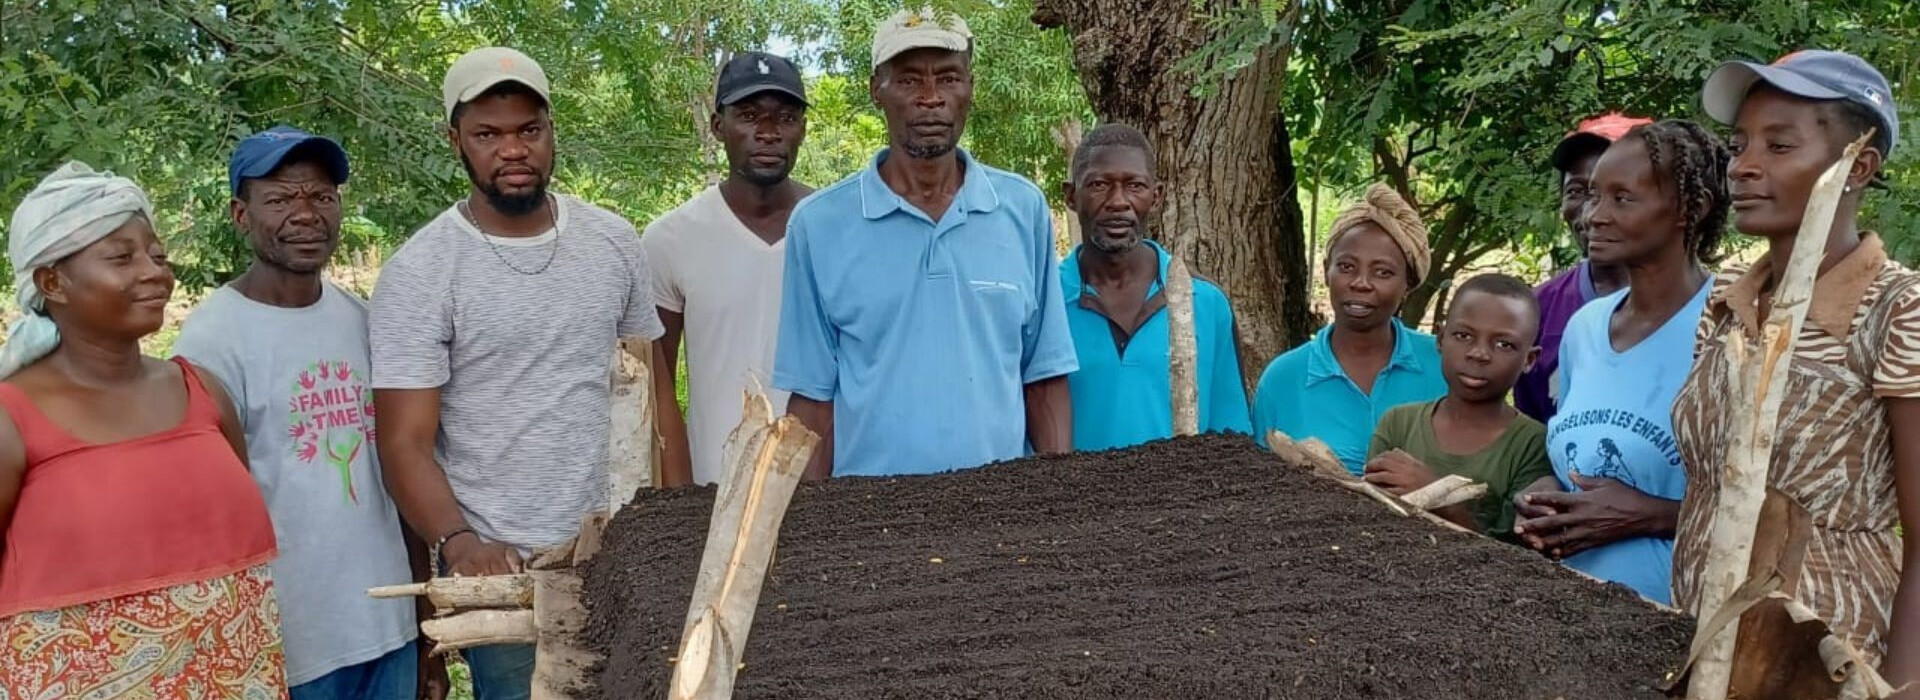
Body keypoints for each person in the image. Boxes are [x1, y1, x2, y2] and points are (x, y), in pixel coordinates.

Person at [370, 47, 665, 700]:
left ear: (552, 130)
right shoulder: (422, 272)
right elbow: (402, 441)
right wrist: (460, 542)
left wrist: (672, 517)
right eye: (488, 134)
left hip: (623, 555)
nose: (512, 149)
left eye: (528, 130)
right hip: (510, 574)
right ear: (456, 142)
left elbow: (648, 391)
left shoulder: (614, 242)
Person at [1671, 49, 1918, 691]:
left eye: (1779, 147)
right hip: (1699, 643)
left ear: (1857, 165)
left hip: (1822, 666)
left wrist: (1897, 688)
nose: (1744, 167)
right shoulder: (1727, 302)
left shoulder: (1898, 309)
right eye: (1740, 144)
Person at [0, 162, 285, 697]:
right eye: (122, 258)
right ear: (51, 281)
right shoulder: (11, 420)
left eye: (157, 254)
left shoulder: (201, 392)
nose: (155, 271)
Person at [173, 127, 426, 700]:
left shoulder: (360, 318)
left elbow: (397, 468)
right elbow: (209, 507)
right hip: (291, 639)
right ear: (242, 214)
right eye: (281, 199)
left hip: (387, 626)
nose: (305, 214)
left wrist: (422, 608)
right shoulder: (213, 339)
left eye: (320, 196)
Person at [773, 8, 1077, 478]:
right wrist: (817, 533)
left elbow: (1043, 377)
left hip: (1001, 513)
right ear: (877, 89)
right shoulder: (819, 225)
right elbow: (813, 403)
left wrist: (1055, 502)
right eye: (910, 81)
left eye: (949, 78)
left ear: (970, 88)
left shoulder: (1022, 209)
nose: (931, 98)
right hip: (872, 520)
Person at [1512, 119, 1730, 606]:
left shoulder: (1730, 328)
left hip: (1677, 621)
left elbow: (1775, 509)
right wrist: (1544, 498)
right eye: (1592, 195)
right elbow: (1573, 461)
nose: (1594, 216)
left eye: (1622, 199)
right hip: (1568, 609)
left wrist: (1651, 515)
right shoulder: (1585, 328)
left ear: (1689, 210)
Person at [646, 52, 811, 487]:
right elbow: (654, 385)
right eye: (750, 116)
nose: (769, 133)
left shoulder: (834, 229)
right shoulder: (672, 238)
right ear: (719, 126)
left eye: (786, 117)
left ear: (804, 129)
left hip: (822, 490)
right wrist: (676, 495)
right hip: (711, 488)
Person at [1058, 123, 1250, 450]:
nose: (1118, 201)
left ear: (1156, 195)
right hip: (1070, 500)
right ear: (1071, 196)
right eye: (1099, 184)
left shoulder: (1204, 302)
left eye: (1135, 185)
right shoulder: (1042, 303)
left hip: (1180, 501)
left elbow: (1233, 439)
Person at [1251, 184, 1445, 475]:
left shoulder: (1444, 366)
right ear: (1328, 271)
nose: (1361, 283)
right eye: (1346, 266)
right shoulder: (1283, 378)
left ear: (1409, 283)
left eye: (1383, 272)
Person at [1364, 273, 1553, 537]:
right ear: (1441, 339)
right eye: (1464, 336)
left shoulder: (1533, 445)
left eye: (1504, 344)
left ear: (1529, 359)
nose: (1479, 353)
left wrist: (1438, 495)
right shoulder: (1398, 424)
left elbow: (1516, 562)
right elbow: (1368, 523)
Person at [1516, 113, 1651, 423]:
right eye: (1577, 191)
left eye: (1620, 195)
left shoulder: (1705, 313)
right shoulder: (1536, 311)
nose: (1593, 212)